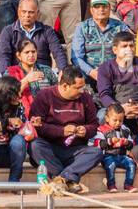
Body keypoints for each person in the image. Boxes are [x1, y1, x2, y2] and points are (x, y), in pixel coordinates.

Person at [28, 66, 103, 194]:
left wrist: (85, 130)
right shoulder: (45, 96)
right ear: (64, 86)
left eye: (83, 87)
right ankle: (68, 180)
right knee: (35, 146)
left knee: (96, 152)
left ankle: (62, 180)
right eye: (78, 88)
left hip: (74, 151)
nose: (82, 91)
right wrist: (61, 131)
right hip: (50, 149)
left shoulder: (86, 98)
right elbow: (37, 126)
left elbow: (94, 125)